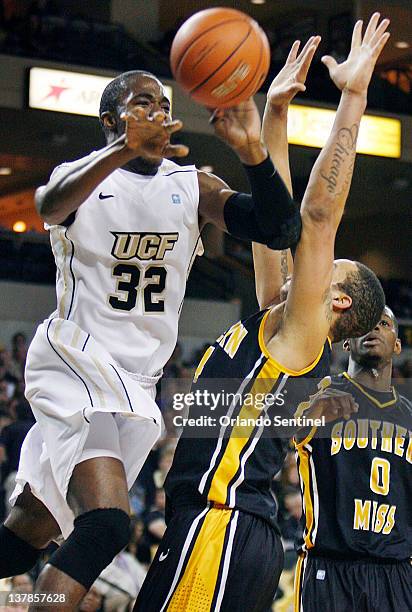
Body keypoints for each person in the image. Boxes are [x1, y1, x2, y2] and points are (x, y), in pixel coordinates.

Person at [0, 60, 303, 609]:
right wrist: (122, 150)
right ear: (110, 119)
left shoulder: (191, 185)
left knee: (27, 534)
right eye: (143, 105)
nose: (158, 114)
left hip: (137, 382)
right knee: (109, 526)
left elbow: (279, 228)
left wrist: (253, 151)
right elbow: (49, 204)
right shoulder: (85, 177)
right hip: (77, 358)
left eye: (163, 106)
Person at [134, 14, 389, 611]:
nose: (315, 265)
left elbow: (317, 216)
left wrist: (352, 95)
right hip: (208, 526)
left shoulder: (304, 335)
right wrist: (274, 116)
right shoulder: (278, 317)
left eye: (332, 269)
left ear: (339, 301)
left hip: (224, 527)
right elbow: (275, 225)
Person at [293, 306, 412, 612]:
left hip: (397, 570)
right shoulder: (319, 396)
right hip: (331, 567)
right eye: (365, 324)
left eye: (383, 324)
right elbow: (276, 430)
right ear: (346, 341)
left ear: (397, 344)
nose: (374, 329)